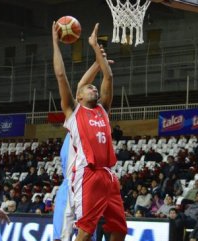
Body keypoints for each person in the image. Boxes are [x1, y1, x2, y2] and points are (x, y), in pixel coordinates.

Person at [52, 22, 127, 241]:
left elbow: (108, 77)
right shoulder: (73, 113)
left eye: (94, 87)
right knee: (85, 232)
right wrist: (55, 43)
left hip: (108, 174)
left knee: (120, 229)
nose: (93, 88)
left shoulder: (103, 109)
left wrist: (95, 46)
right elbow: (60, 75)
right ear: (79, 97)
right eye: (87, 88)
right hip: (87, 173)